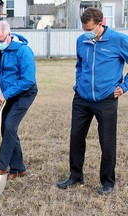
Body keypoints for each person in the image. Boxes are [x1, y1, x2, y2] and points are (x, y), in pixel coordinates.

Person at [56, 7, 128, 195]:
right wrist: (79, 84)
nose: (86, 33)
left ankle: (107, 181)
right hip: (82, 98)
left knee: (107, 141)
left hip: (106, 98)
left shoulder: (118, 40)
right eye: (84, 29)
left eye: (89, 29)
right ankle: (75, 175)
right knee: (76, 137)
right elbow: (79, 65)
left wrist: (124, 85)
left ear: (100, 24)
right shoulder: (81, 41)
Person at [0, 20, 38, 180]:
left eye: (0, 41)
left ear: (9, 35)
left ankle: (0, 167)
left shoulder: (23, 51)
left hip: (25, 93)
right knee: (6, 129)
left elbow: (28, 79)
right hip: (7, 95)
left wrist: (5, 95)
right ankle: (18, 169)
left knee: (9, 126)